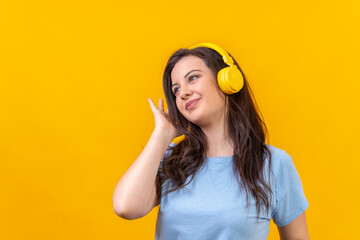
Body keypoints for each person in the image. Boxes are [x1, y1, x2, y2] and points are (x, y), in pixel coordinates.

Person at [112, 43, 310, 240]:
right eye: (176, 89)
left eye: (193, 78)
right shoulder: (170, 160)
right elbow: (125, 207)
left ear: (226, 80)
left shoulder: (274, 164)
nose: (183, 93)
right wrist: (161, 134)